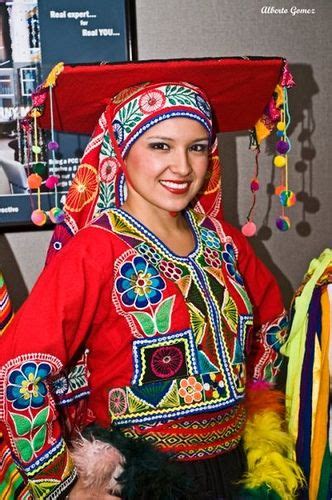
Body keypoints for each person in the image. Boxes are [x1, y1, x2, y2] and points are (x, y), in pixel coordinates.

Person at [0, 58, 303, 499]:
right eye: (161, 146)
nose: (182, 166)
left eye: (197, 147)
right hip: (142, 479)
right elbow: (17, 373)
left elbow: (274, 326)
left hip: (236, 468)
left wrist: (260, 418)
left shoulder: (225, 241)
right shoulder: (95, 249)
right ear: (122, 152)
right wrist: (63, 487)